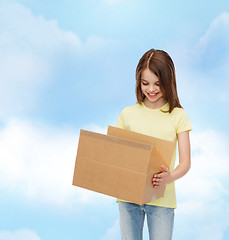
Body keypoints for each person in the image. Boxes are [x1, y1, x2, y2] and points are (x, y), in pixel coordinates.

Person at [115, 49, 192, 240]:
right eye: (145, 83)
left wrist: (169, 177)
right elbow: (115, 151)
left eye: (158, 84)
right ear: (138, 82)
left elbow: (185, 163)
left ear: (169, 82)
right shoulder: (128, 114)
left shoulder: (178, 115)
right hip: (128, 196)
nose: (151, 89)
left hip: (162, 199)